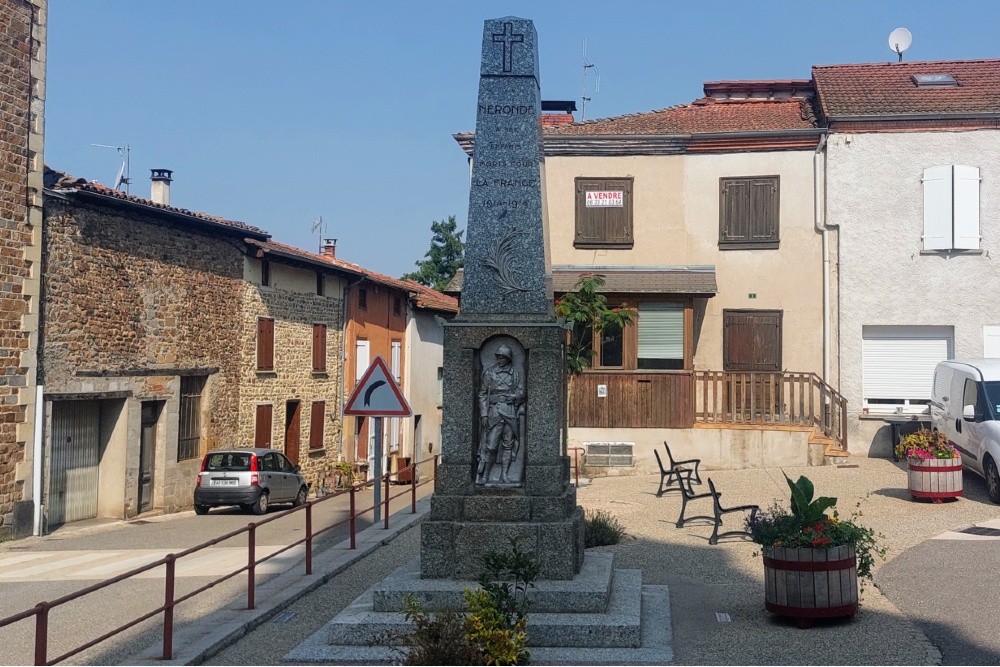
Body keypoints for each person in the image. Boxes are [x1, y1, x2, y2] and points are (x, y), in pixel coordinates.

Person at [476, 344, 525, 484]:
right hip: (494, 412)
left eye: (503, 357)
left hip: (510, 411)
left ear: (508, 359)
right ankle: (485, 475)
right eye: (499, 357)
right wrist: (484, 414)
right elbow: (482, 394)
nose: (500, 359)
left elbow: (522, 391)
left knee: (508, 445)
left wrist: (516, 397)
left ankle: (504, 475)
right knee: (491, 446)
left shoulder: (515, 374)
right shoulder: (490, 373)